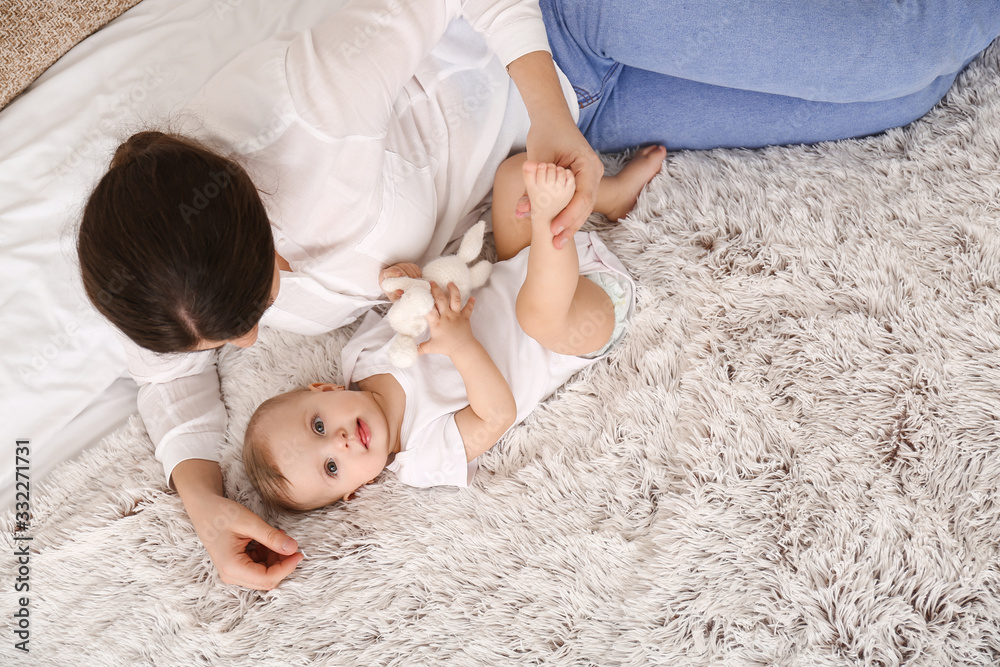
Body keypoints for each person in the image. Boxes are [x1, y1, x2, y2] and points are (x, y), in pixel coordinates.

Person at [77, 0, 1000, 589]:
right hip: (576, 147)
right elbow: (163, 366)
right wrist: (201, 498)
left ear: (249, 213)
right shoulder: (176, 275)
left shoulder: (304, 102)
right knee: (906, 101)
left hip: (566, 38)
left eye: (264, 296)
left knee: (898, 44)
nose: (256, 337)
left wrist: (550, 110)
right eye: (229, 344)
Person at [243, 148, 662, 511]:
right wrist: (460, 345)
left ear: (325, 390)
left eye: (317, 426)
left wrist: (408, 281)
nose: (340, 441)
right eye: (332, 468)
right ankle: (553, 220)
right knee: (537, 317)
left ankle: (610, 194)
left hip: (520, 269)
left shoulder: (361, 356)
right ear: (357, 489)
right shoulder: (422, 456)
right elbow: (497, 414)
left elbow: (418, 303)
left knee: (514, 175)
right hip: (578, 323)